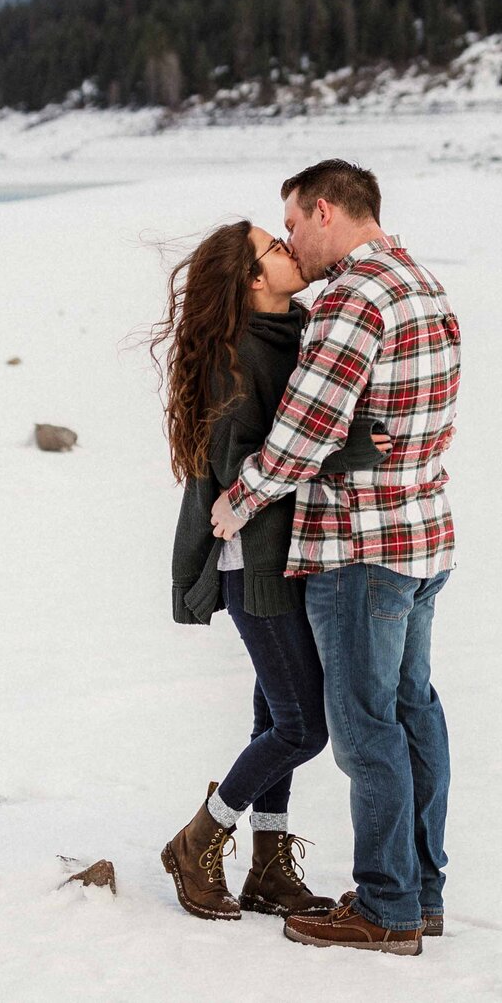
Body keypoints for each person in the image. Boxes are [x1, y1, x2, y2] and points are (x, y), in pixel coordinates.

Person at [211, 160, 460, 957]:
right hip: (423, 535)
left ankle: (385, 909)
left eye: (290, 224)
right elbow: (421, 419)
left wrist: (238, 499)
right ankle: (420, 894)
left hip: (359, 546)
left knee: (361, 728)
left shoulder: (353, 298)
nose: (288, 240)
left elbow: (305, 432)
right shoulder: (418, 281)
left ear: (324, 210)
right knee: (413, 710)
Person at [155, 219, 382, 922]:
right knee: (302, 725)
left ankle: (268, 864)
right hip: (252, 563)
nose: (289, 250)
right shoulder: (238, 356)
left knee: (272, 710)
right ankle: (201, 835)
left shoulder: (296, 329)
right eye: (273, 247)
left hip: (292, 554)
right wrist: (350, 450)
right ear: (253, 281)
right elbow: (238, 468)